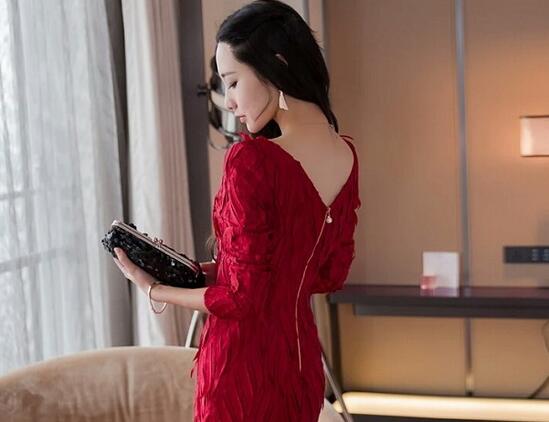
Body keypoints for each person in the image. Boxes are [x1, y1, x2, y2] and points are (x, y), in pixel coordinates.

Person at [112, 1, 361, 420]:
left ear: (276, 65)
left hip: (241, 373)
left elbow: (243, 297)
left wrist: (153, 288)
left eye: (231, 82)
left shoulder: (253, 161)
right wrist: (195, 271)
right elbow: (325, 274)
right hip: (300, 368)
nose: (227, 101)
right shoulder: (347, 156)